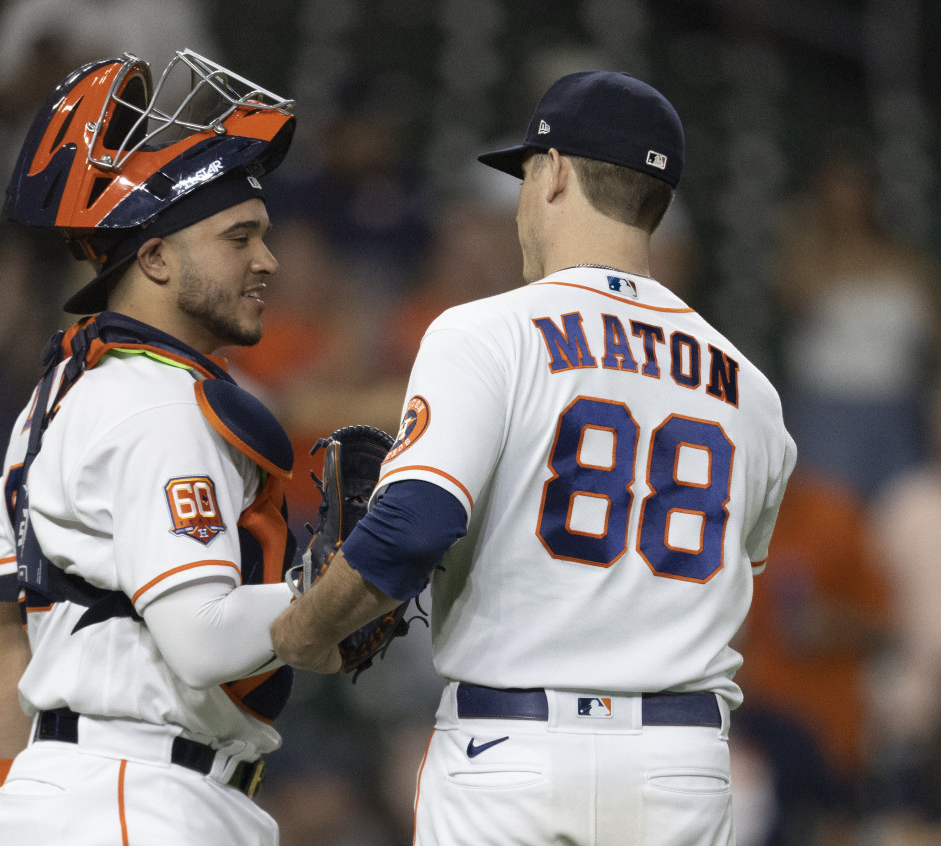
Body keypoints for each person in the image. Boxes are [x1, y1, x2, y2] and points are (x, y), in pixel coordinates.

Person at [272, 70, 798, 846]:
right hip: (681, 768)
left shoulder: (487, 332)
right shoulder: (753, 393)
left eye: (523, 176)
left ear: (552, 174)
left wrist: (302, 631)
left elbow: (413, 527)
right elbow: (730, 598)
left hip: (514, 754)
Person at [0, 51, 301, 846]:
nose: (268, 261)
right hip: (140, 797)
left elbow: (2, 638)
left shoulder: (59, 397)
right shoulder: (160, 404)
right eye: (238, 237)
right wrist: (339, 589)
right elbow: (200, 637)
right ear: (153, 258)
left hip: (64, 795)